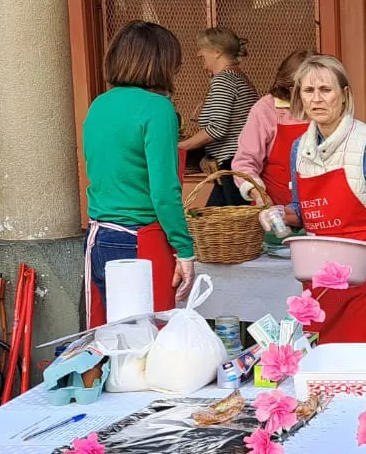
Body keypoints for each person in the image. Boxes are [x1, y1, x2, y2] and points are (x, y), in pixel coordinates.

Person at [284, 54, 366, 342]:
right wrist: (280, 216)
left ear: (343, 95)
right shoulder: (298, 148)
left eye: (325, 90)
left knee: (359, 356)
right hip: (318, 272)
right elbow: (301, 209)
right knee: (321, 355)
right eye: (309, 90)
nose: (316, 99)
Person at [83, 21, 196, 329]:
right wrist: (185, 250)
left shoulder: (99, 105)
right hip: (138, 239)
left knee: (110, 340)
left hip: (98, 237)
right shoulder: (158, 109)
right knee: (146, 344)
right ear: (160, 63)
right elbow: (164, 191)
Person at [179, 28, 258, 207]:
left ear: (217, 52)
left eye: (202, 49)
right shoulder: (238, 78)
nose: (199, 54)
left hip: (231, 166)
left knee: (230, 226)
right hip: (233, 166)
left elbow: (216, 129)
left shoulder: (224, 80)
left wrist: (180, 146)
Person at [232, 49, 312, 209]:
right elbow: (244, 163)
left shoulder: (328, 107)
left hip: (322, 210)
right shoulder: (266, 108)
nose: (315, 96)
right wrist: (260, 195)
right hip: (277, 208)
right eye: (306, 89)